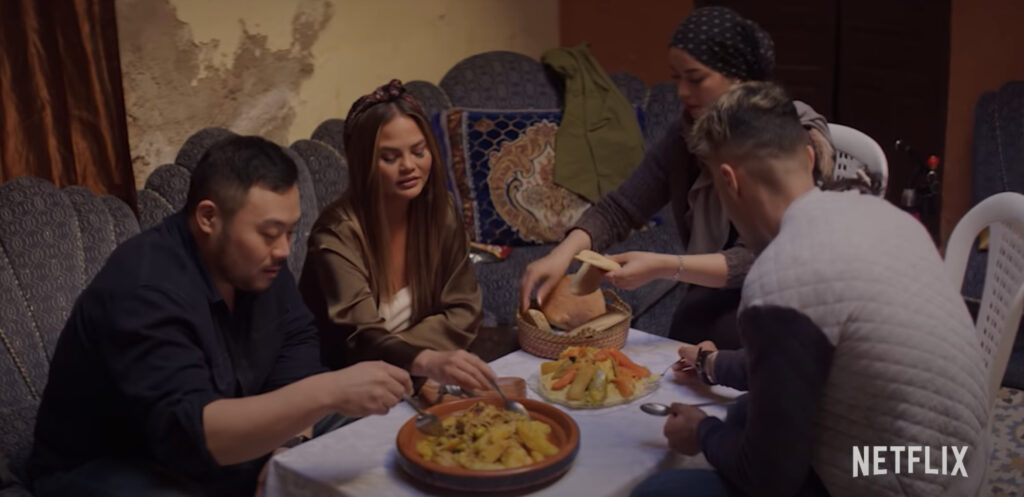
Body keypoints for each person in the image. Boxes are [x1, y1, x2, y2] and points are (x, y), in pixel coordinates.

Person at [633, 82, 988, 497]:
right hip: (961, 460)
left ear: (729, 181)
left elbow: (767, 479)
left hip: (905, 480)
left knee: (660, 491)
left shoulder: (781, 274)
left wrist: (702, 433)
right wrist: (712, 363)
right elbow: (797, 360)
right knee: (746, 414)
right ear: (806, 156)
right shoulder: (881, 214)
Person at [29, 136, 413, 497]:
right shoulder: (143, 290)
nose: (283, 250)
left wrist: (292, 444)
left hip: (224, 438)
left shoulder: (258, 263)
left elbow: (296, 341)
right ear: (209, 218)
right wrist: (328, 392)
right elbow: (196, 435)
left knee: (389, 426)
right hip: (120, 462)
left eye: (291, 232)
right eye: (269, 233)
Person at [519, 7, 834, 349]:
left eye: (696, 79)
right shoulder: (687, 132)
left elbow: (764, 257)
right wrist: (562, 254)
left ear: (740, 79)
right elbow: (621, 209)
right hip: (708, 294)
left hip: (778, 297)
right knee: (686, 332)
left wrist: (664, 266)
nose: (682, 92)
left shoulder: (781, 139)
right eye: (676, 78)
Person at [300, 80, 495, 392]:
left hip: (419, 374)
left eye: (419, 151)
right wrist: (423, 357)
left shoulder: (440, 210)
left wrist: (413, 357)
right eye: (389, 157)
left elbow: (465, 309)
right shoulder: (336, 236)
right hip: (348, 387)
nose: (409, 167)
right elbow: (360, 339)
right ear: (363, 164)